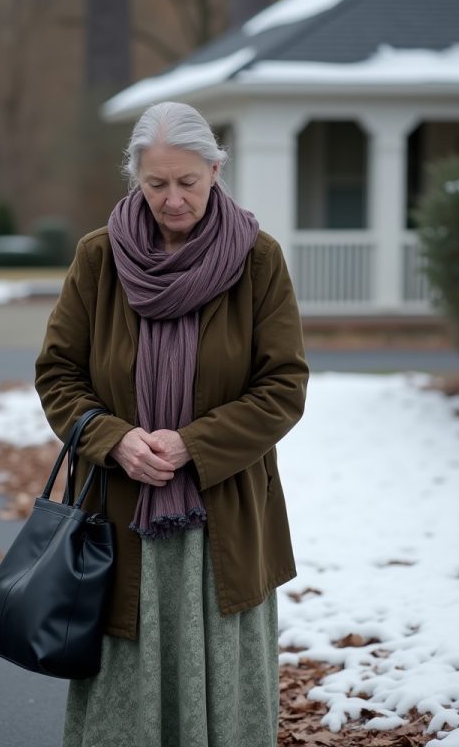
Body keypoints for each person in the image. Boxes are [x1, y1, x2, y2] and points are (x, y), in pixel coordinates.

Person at [35, 101, 309, 747]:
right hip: (118, 514)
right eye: (156, 184)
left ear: (216, 170)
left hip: (225, 514)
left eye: (188, 181)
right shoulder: (98, 259)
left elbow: (283, 387)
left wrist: (193, 444)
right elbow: (58, 374)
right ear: (135, 177)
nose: (173, 199)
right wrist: (114, 439)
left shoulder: (258, 260)